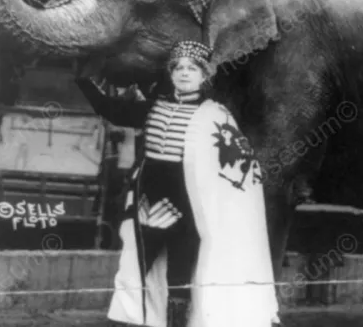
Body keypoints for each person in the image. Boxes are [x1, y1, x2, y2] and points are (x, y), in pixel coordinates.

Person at [75, 41, 280, 327]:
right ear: (171, 74)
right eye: (179, 68)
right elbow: (112, 110)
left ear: (204, 75)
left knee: (180, 278)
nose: (185, 73)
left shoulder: (217, 116)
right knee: (135, 272)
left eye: (192, 68)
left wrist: (184, 212)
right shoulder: (152, 108)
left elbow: (235, 173)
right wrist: (84, 81)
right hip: (147, 207)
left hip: (189, 213)